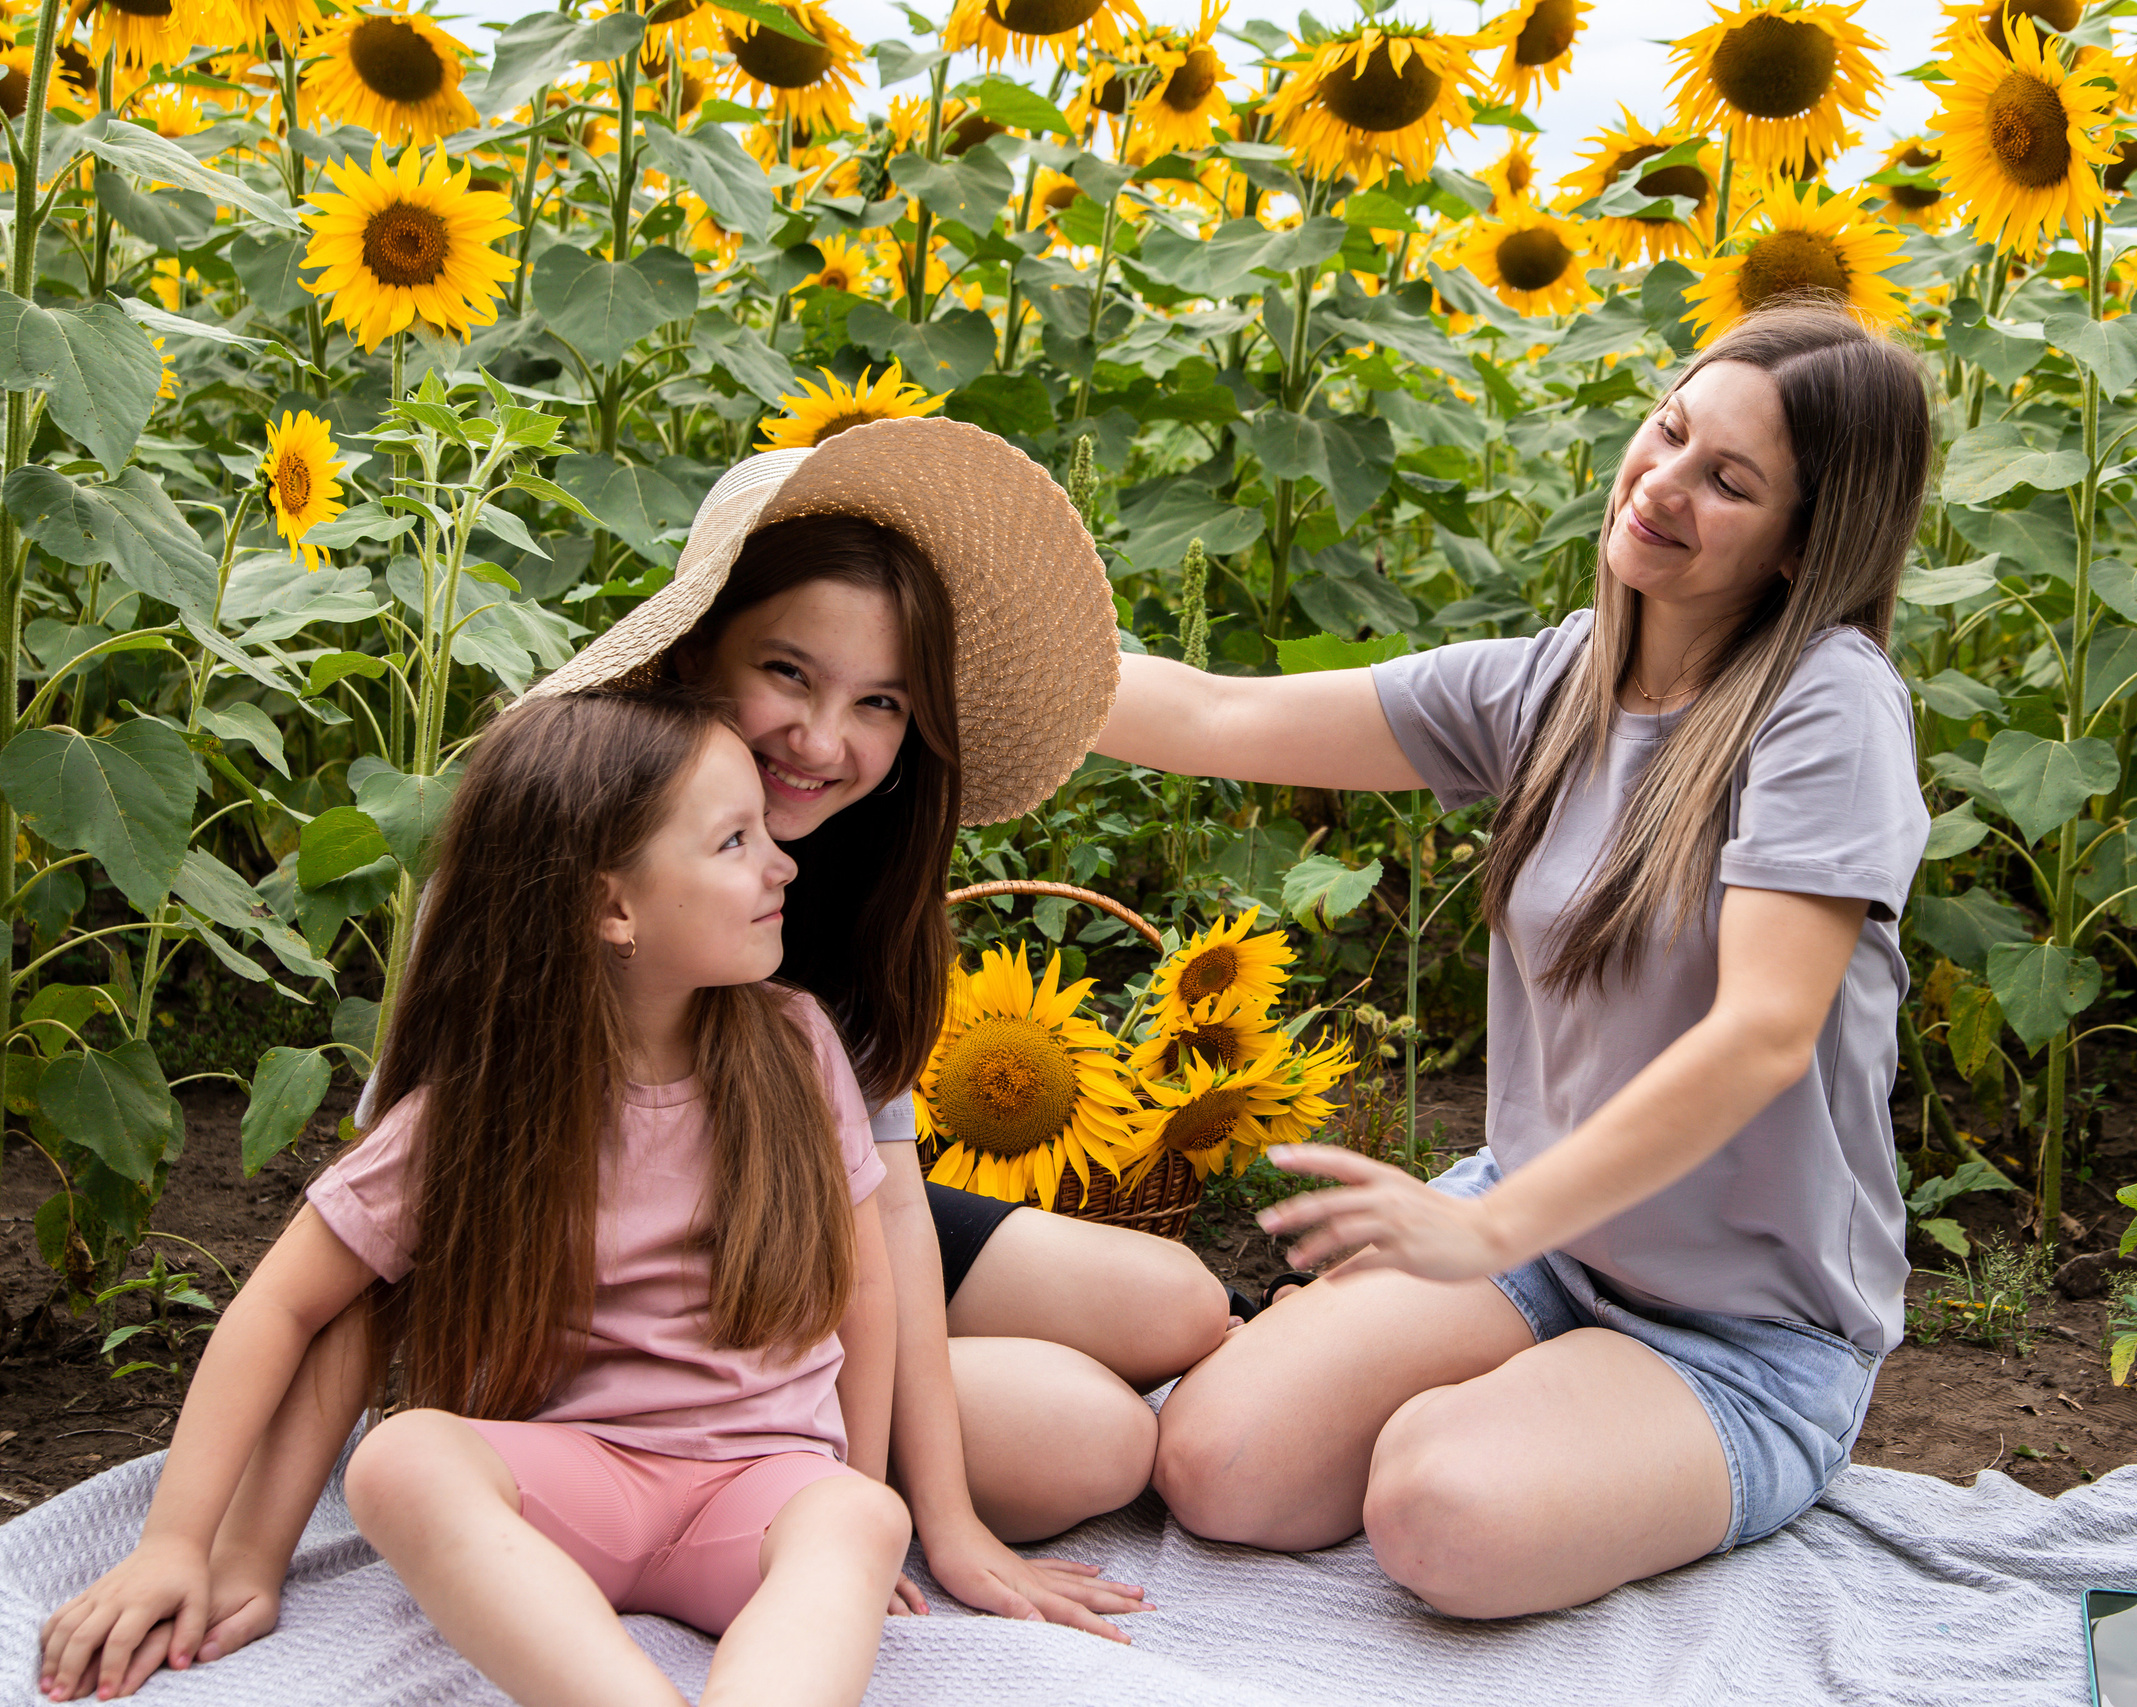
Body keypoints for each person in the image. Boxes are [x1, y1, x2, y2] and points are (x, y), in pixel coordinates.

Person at [74, 423, 1229, 1689]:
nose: (821, 742)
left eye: (881, 702)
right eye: (787, 673)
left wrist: (925, 1513)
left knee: (1168, 1312)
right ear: (693, 654)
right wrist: (237, 1550)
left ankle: (778, 1419)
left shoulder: (832, 923)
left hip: (780, 1234)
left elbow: (882, 1229)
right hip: (579, 1264)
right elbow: (362, 1271)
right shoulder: (542, 867)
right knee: (1077, 1435)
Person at [1099, 304, 1936, 1617]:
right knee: (1220, 1464)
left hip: (1741, 1329)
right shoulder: (1559, 681)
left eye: (1729, 481)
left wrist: (1485, 1227)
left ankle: (1606, 1433)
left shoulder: (1828, 701)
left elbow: (1766, 1028)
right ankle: (1531, 1403)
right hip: (1547, 1240)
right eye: (1669, 430)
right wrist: (943, 651)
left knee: (1442, 1516)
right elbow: (1215, 714)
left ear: (1803, 544)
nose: (1662, 482)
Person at [40, 691, 912, 1705]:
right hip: (569, 1488)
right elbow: (281, 1304)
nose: (782, 863)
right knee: (400, 1460)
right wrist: (177, 1545)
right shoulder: (481, 1109)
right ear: (612, 908)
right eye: (735, 840)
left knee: (860, 1520)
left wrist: (854, 1497)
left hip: (761, 1486)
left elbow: (865, 1294)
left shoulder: (796, 1047)